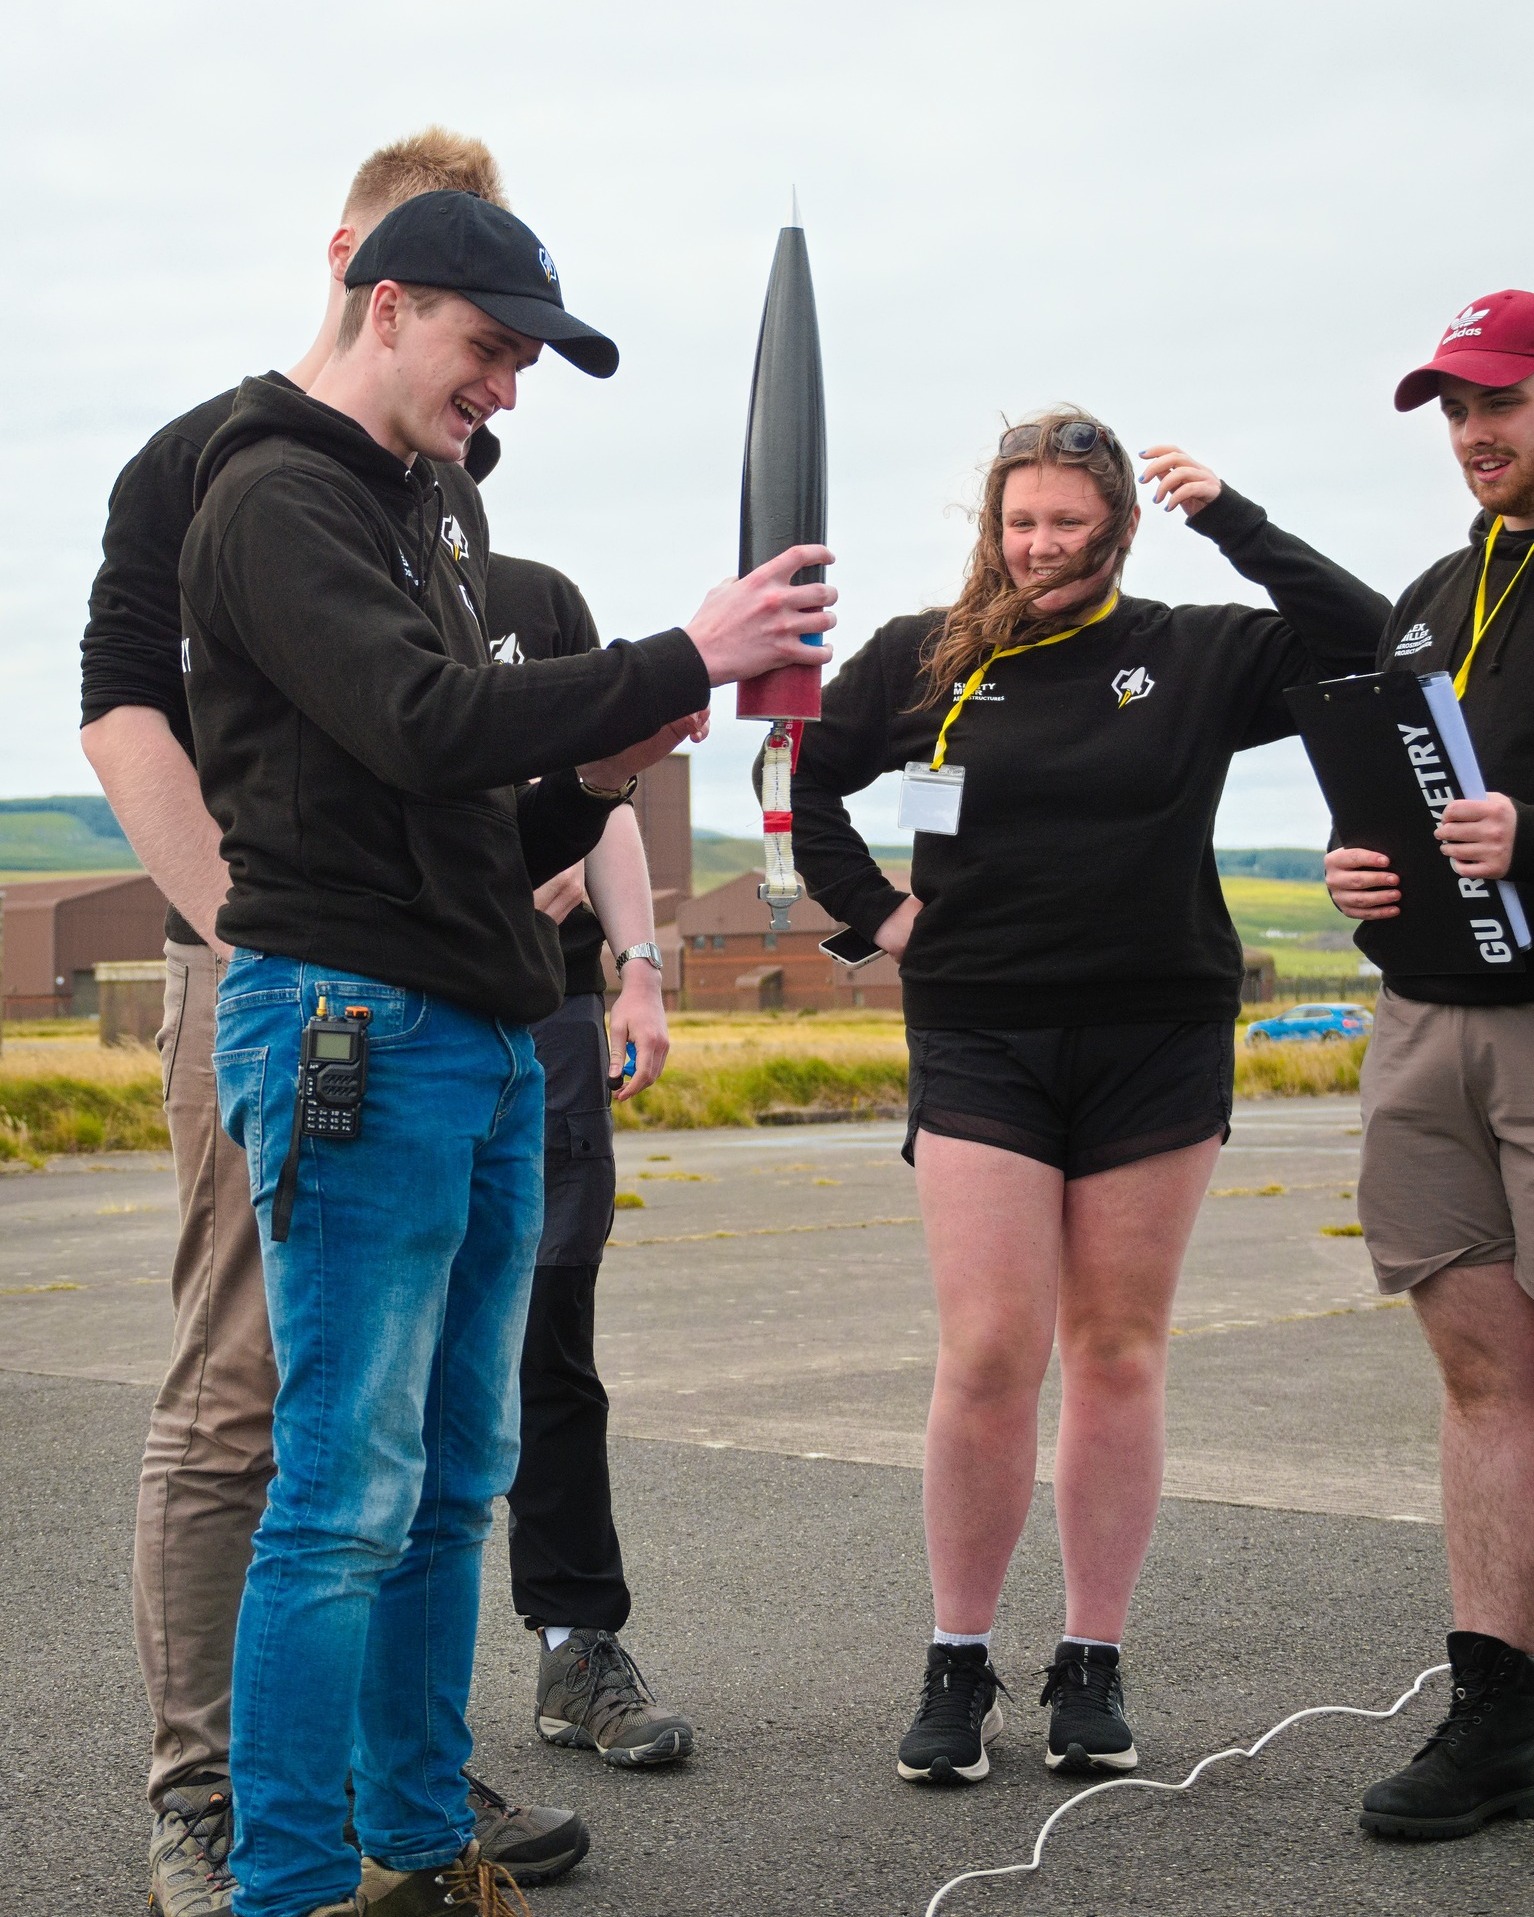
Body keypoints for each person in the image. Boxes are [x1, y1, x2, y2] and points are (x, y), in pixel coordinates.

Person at [179, 187, 834, 1917]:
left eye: (526, 361)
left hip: (474, 1033)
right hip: (351, 1027)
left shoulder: (436, 513)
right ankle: (295, 1885)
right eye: (490, 351)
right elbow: (415, 720)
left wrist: (615, 756)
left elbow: (477, 803)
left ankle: (410, 1841)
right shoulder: (271, 494)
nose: (508, 392)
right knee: (342, 1486)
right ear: (384, 306)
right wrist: (680, 646)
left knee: (458, 1470)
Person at [80, 131, 599, 1913]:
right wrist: (249, 927)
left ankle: (396, 1786)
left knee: (423, 1453)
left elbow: (448, 726)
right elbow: (117, 701)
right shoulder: (217, 464)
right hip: (279, 968)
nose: (504, 375)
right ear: (361, 267)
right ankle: (210, 1798)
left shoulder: (431, 477)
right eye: (482, 324)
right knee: (259, 1405)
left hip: (431, 982)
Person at [786, 408, 1387, 1785]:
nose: (1038, 546)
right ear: (989, 527)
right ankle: (955, 1659)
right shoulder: (927, 659)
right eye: (1018, 521)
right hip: (982, 1033)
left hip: (1154, 1035)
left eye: (1066, 521)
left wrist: (1230, 513)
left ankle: (1089, 1665)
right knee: (991, 1348)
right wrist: (873, 917)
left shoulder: (1193, 652)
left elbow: (1366, 636)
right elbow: (803, 778)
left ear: (1117, 522)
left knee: (1116, 1349)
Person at [1325, 289, 1534, 1841]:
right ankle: (1494, 1711)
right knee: (1479, 1376)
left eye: (1500, 403)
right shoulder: (1423, 593)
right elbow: (1395, 791)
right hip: (1418, 1023)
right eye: (1454, 410)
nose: (1473, 433)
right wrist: (1358, 871)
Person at [484, 554, 695, 1764]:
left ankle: (576, 1649)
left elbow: (606, 795)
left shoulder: (542, 604)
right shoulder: (341, 586)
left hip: (550, 1016)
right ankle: (355, 1702)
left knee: (548, 1340)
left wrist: (641, 965)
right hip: (398, 1005)